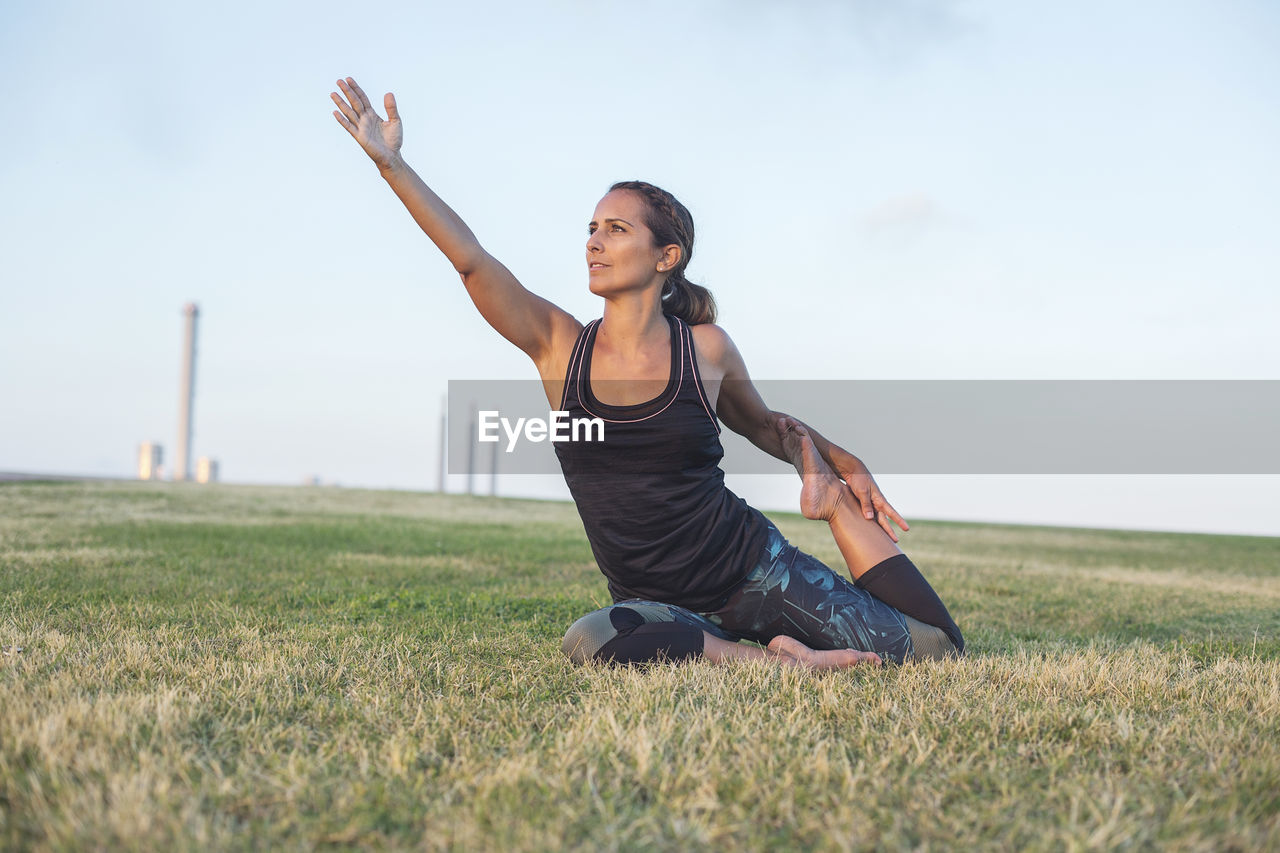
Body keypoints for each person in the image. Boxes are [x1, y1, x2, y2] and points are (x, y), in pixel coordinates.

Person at [331, 77, 964, 670]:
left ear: (667, 256)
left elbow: (763, 426)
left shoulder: (705, 351)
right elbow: (471, 261)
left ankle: (826, 531)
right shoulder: (559, 349)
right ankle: (776, 665)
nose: (594, 242)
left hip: (756, 572)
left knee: (938, 651)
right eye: (591, 229)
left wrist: (831, 464)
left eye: (616, 229)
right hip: (662, 606)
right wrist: (392, 165)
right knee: (592, 639)